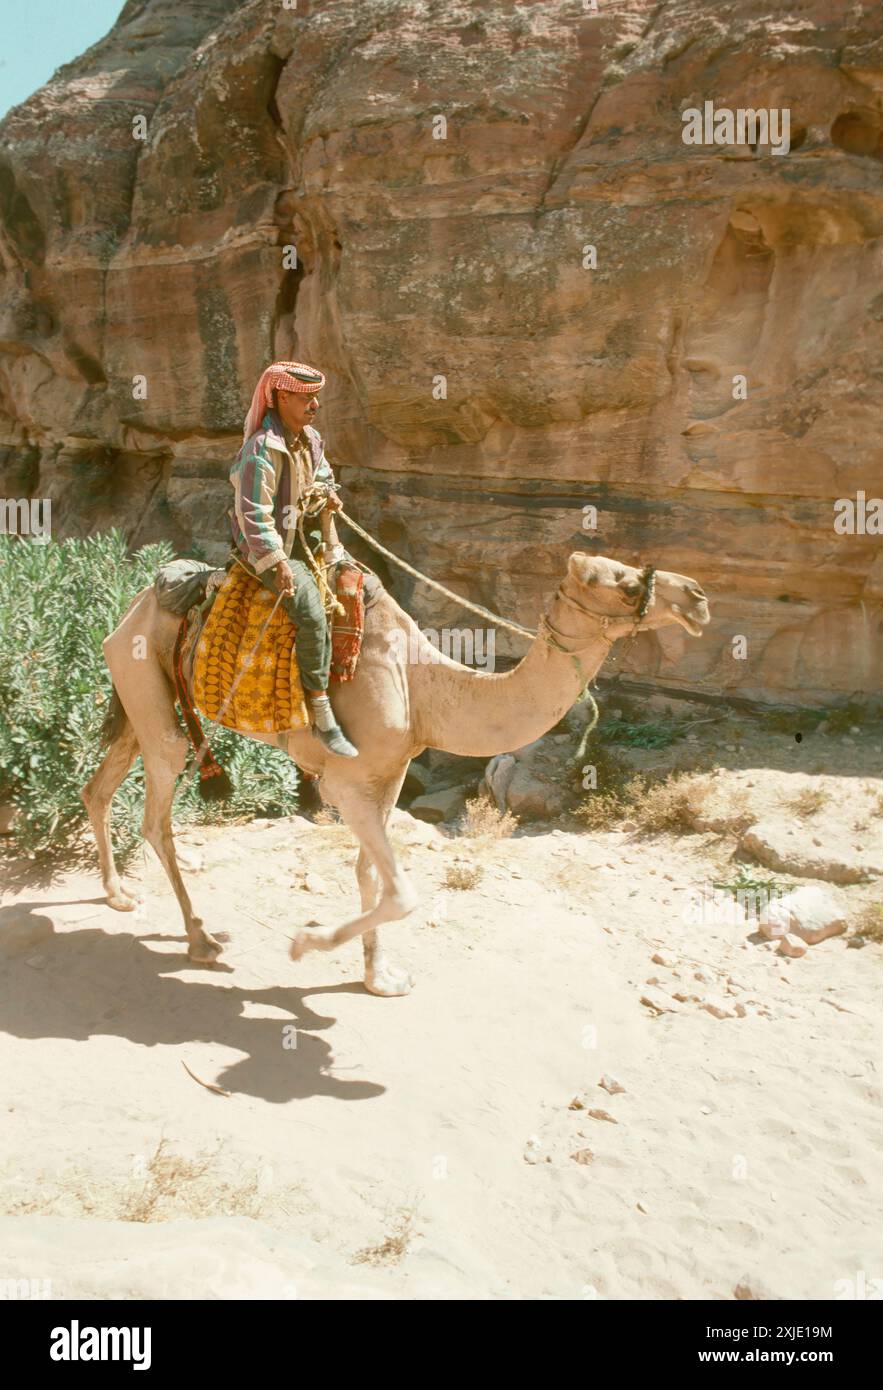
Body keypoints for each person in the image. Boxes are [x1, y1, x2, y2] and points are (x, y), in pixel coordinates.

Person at [228, 360, 358, 757]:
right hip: (270, 550)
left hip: (306, 540)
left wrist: (325, 493)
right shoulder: (260, 449)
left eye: (316, 396)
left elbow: (323, 476)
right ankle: (321, 712)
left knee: (360, 583)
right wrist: (277, 563)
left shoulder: (311, 439)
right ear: (281, 396)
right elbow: (253, 513)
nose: (314, 404)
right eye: (306, 397)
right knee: (313, 612)